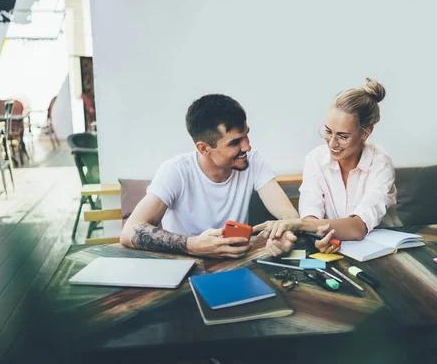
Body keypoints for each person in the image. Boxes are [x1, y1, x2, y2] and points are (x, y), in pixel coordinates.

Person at [120, 94, 299, 258]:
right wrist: (192, 245)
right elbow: (129, 231)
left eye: (246, 135)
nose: (247, 147)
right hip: (183, 266)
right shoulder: (176, 171)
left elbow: (287, 213)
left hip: (234, 265)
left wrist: (283, 233)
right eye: (235, 142)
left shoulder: (254, 161)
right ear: (204, 148)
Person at [255, 78, 400, 254]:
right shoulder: (315, 159)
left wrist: (301, 224)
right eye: (328, 131)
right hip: (338, 250)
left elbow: (358, 227)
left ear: (366, 132)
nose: (332, 143)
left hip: (384, 251)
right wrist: (318, 238)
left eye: (343, 136)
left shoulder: (380, 163)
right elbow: (311, 213)